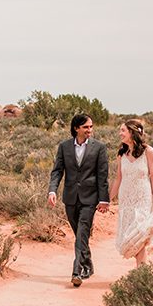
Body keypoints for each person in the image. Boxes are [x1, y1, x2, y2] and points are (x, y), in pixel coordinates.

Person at [48, 113, 109, 287]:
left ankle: (77, 271)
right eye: (86, 127)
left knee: (82, 231)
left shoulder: (99, 148)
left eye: (91, 127)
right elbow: (57, 171)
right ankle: (87, 262)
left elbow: (102, 176)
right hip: (70, 197)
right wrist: (52, 190)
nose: (90, 130)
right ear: (76, 128)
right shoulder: (64, 147)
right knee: (79, 234)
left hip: (90, 198)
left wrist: (104, 200)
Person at [110, 118, 153, 267]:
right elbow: (118, 179)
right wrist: (107, 200)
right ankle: (142, 271)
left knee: (140, 236)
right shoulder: (121, 154)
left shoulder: (148, 152)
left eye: (123, 130)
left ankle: (142, 273)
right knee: (132, 239)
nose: (120, 133)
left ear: (132, 132)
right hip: (126, 201)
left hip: (142, 200)